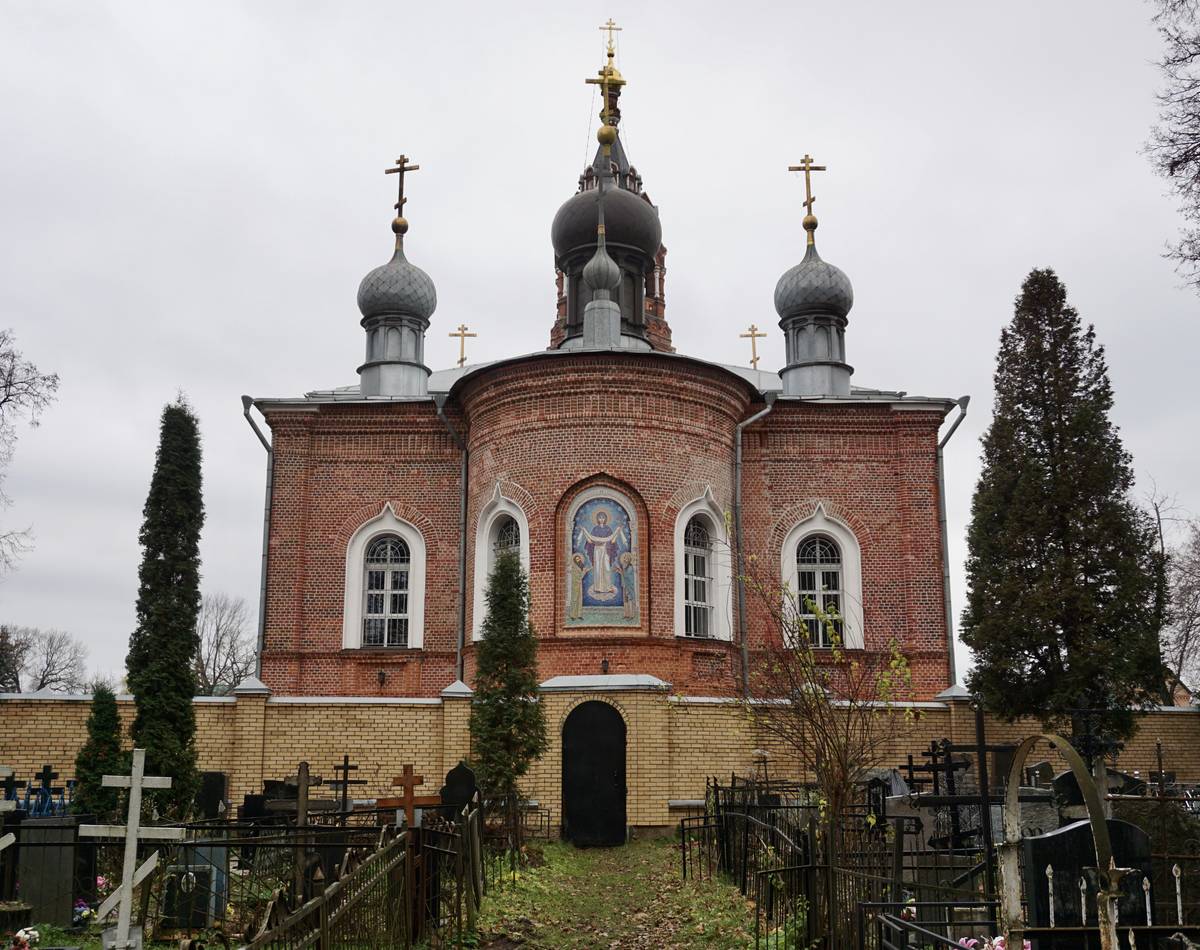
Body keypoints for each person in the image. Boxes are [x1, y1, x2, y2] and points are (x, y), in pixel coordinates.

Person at [567, 553, 588, 621]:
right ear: (574, 560)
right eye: (577, 559)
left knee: (579, 599)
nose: (578, 560)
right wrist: (584, 572)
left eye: (579, 559)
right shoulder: (574, 567)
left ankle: (579, 615)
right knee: (574, 599)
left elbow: (580, 576)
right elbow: (579, 577)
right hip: (575, 584)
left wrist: (584, 571)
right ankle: (573, 615)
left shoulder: (580, 566)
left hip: (579, 584)